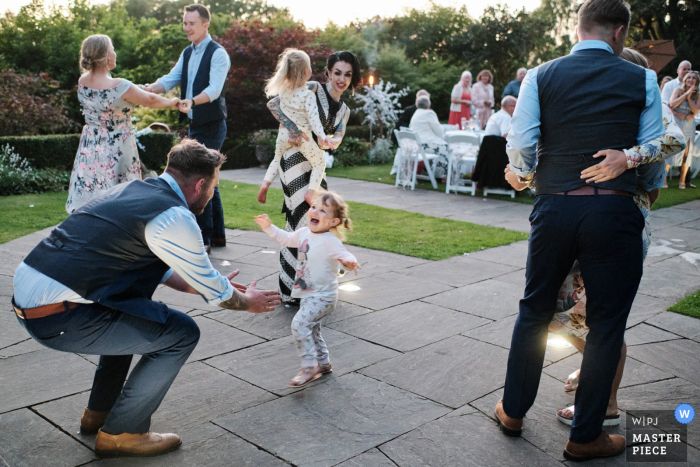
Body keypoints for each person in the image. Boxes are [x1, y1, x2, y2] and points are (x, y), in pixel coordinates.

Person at [11, 139, 281, 458]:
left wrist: (203, 283)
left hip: (35, 303)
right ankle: (123, 433)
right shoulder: (175, 216)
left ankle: (99, 413)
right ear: (199, 184)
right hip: (57, 316)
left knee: (139, 319)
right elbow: (219, 295)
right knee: (181, 334)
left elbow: (161, 270)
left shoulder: (134, 191)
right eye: (214, 186)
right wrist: (249, 301)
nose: (212, 193)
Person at [497, 0, 664, 461]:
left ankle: (512, 411)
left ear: (580, 27)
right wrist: (638, 179)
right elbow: (657, 153)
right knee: (606, 325)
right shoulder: (642, 78)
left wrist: (530, 178)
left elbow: (522, 143)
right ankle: (585, 436)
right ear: (619, 32)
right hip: (614, 213)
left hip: (553, 210)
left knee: (533, 311)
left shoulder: (541, 75)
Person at [514, 47, 686, 428]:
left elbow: (662, 168)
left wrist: (628, 159)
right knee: (569, 314)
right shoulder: (616, 114)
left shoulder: (649, 108)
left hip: (622, 222)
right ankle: (594, 373)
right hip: (588, 219)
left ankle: (606, 401)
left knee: (605, 321)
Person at [257, 51, 360, 305]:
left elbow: (336, 138)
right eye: (337, 73)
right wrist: (291, 128)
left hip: (315, 165)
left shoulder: (344, 111)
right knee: (302, 217)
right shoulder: (312, 88)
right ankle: (295, 290)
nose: (342, 79)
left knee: (317, 220)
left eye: (347, 74)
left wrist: (329, 142)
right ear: (327, 73)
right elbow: (274, 104)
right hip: (292, 158)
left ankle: (303, 287)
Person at [144, 4, 231, 253]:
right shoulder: (187, 52)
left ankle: (202, 239)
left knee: (199, 180)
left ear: (206, 24)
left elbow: (214, 90)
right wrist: (148, 90)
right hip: (195, 125)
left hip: (213, 126)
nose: (187, 28)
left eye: (191, 23)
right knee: (208, 179)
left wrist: (192, 101)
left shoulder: (218, 54)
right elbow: (171, 79)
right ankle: (217, 236)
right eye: (185, 23)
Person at [254, 191, 359, 387]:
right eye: (314, 207)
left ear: (334, 221)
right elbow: (285, 239)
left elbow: (345, 255)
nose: (315, 212)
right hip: (309, 295)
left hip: (323, 297)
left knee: (299, 325)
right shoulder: (303, 234)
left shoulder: (330, 241)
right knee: (312, 329)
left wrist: (350, 262)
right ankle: (324, 363)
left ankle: (309, 367)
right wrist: (269, 228)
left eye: (323, 210)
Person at [66, 35, 180, 214]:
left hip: (91, 145)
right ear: (106, 56)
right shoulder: (120, 85)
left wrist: (140, 88)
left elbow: (118, 93)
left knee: (94, 189)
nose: (115, 53)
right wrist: (172, 102)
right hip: (116, 146)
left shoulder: (83, 82)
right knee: (119, 194)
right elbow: (149, 100)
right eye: (112, 49)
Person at [261, 49, 336, 208]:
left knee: (276, 158)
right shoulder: (307, 95)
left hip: (283, 135)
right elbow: (314, 121)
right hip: (304, 138)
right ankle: (310, 193)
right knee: (319, 163)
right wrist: (323, 136)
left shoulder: (284, 91)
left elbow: (275, 106)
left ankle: (265, 184)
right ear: (307, 72)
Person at [668, 71, 699, 188]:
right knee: (672, 150)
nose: (690, 80)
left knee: (687, 153)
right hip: (677, 123)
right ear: (685, 80)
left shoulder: (698, 95)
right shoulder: (678, 90)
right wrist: (685, 94)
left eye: (693, 78)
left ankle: (682, 181)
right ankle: (664, 180)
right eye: (688, 78)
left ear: (697, 81)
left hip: (689, 124)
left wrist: (690, 97)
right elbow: (672, 104)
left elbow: (695, 110)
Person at [409, 95, 450, 181]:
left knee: (442, 146)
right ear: (428, 105)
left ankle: (430, 171)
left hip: (415, 145)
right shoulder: (429, 113)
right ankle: (443, 176)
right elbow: (439, 131)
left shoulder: (415, 113)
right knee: (446, 147)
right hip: (425, 145)